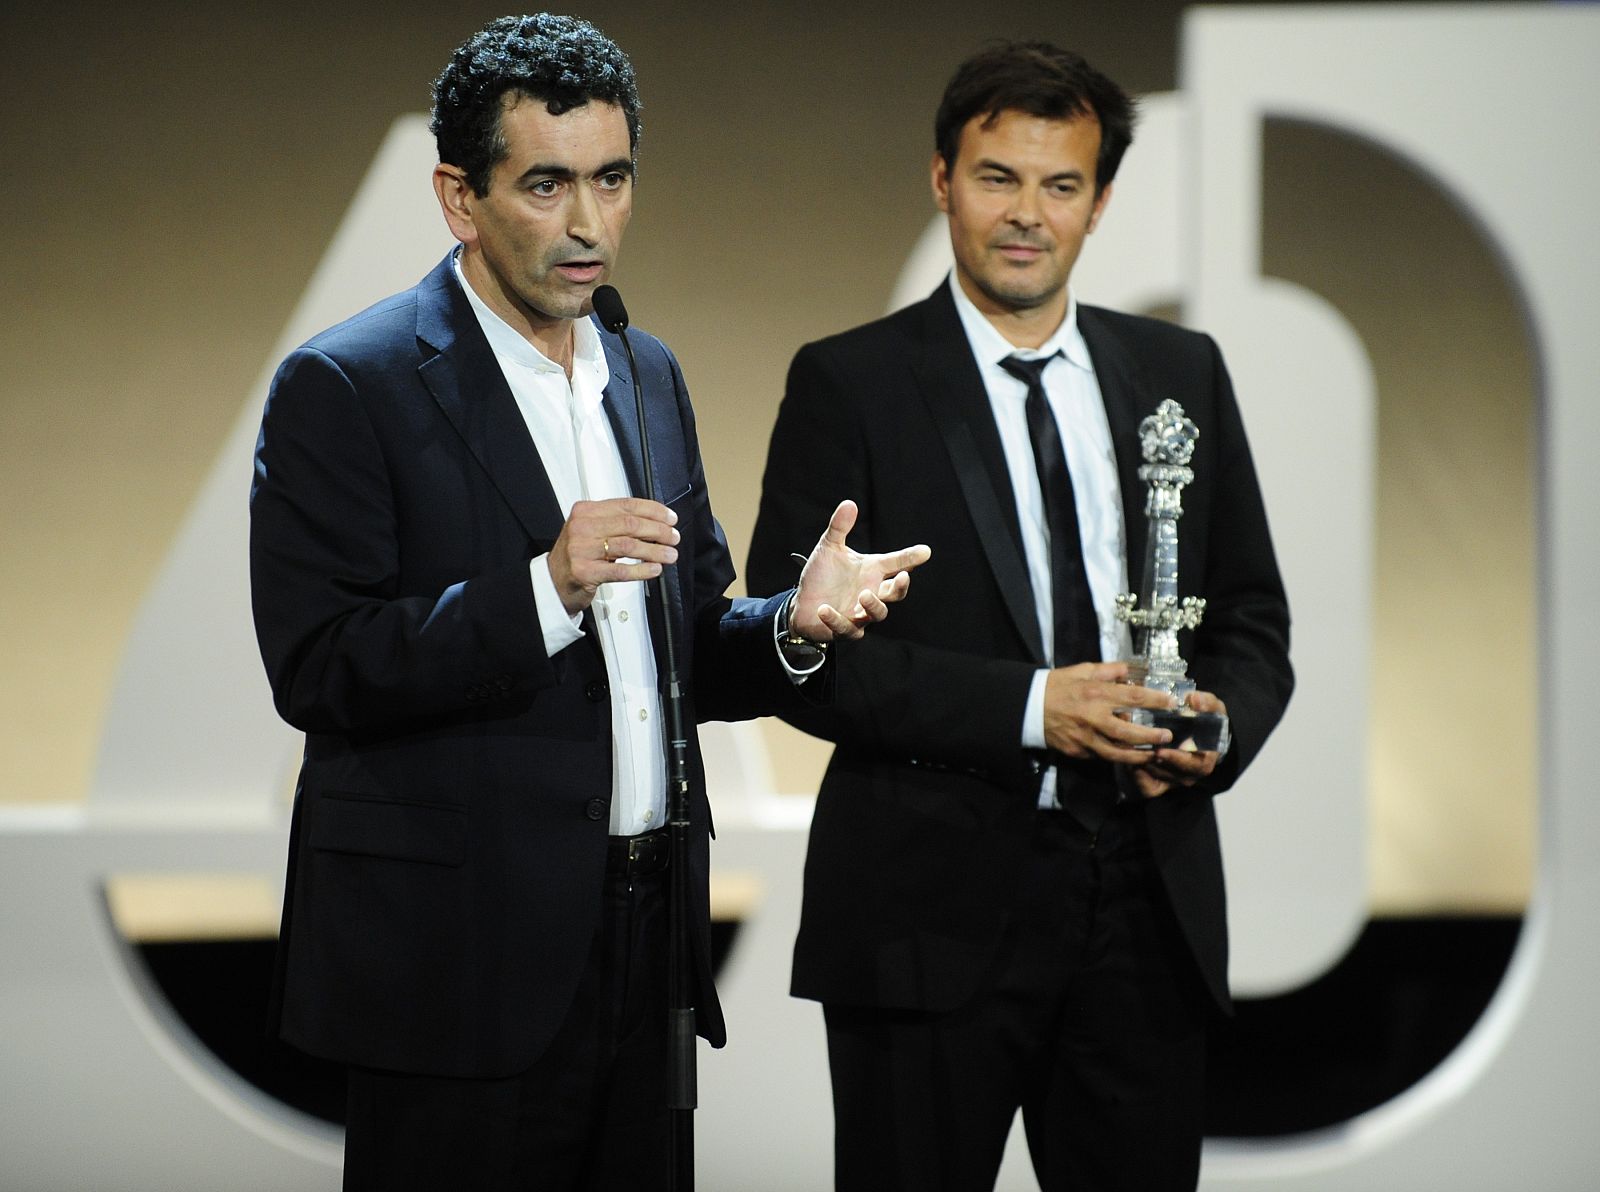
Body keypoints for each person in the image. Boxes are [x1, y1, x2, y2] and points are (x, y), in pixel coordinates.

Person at [249, 14, 928, 1191]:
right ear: (460, 199)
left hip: (645, 941)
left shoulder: (643, 369)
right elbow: (321, 664)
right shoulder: (346, 384)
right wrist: (542, 587)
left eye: (611, 180)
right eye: (547, 184)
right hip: (454, 962)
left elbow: (689, 649)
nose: (587, 225)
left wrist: (790, 627)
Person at [747, 40, 1293, 1192]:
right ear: (941, 179)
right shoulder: (849, 382)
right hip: (926, 915)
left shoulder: (1179, 370)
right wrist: (1037, 709)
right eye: (997, 177)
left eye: (1060, 185)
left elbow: (1250, 613)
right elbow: (795, 663)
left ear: (1099, 204)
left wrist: (1213, 724)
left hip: (1146, 909)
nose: (1026, 215)